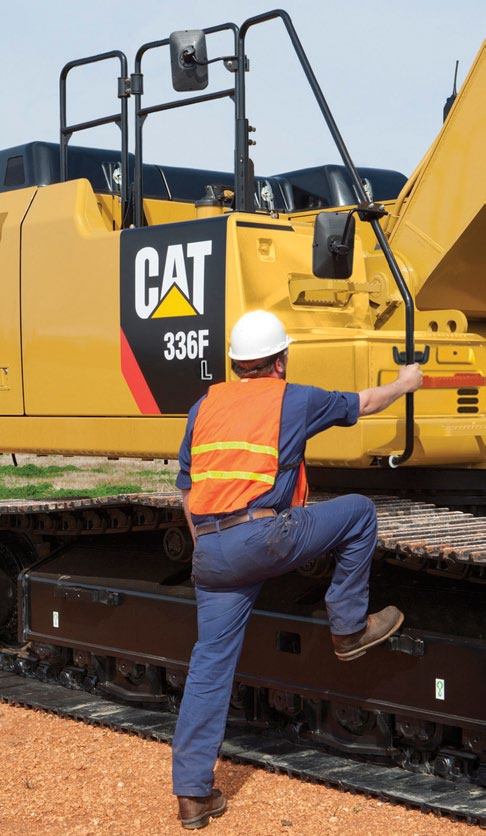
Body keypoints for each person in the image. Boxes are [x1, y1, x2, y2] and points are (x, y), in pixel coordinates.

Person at [172, 310, 423, 830]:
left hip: (211, 550)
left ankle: (193, 798)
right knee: (358, 511)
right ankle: (348, 627)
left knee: (208, 670)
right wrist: (405, 382)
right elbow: (366, 402)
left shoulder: (204, 405)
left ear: (237, 363)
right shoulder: (292, 398)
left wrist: (208, 547)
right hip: (264, 536)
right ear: (280, 361)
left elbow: (185, 485)